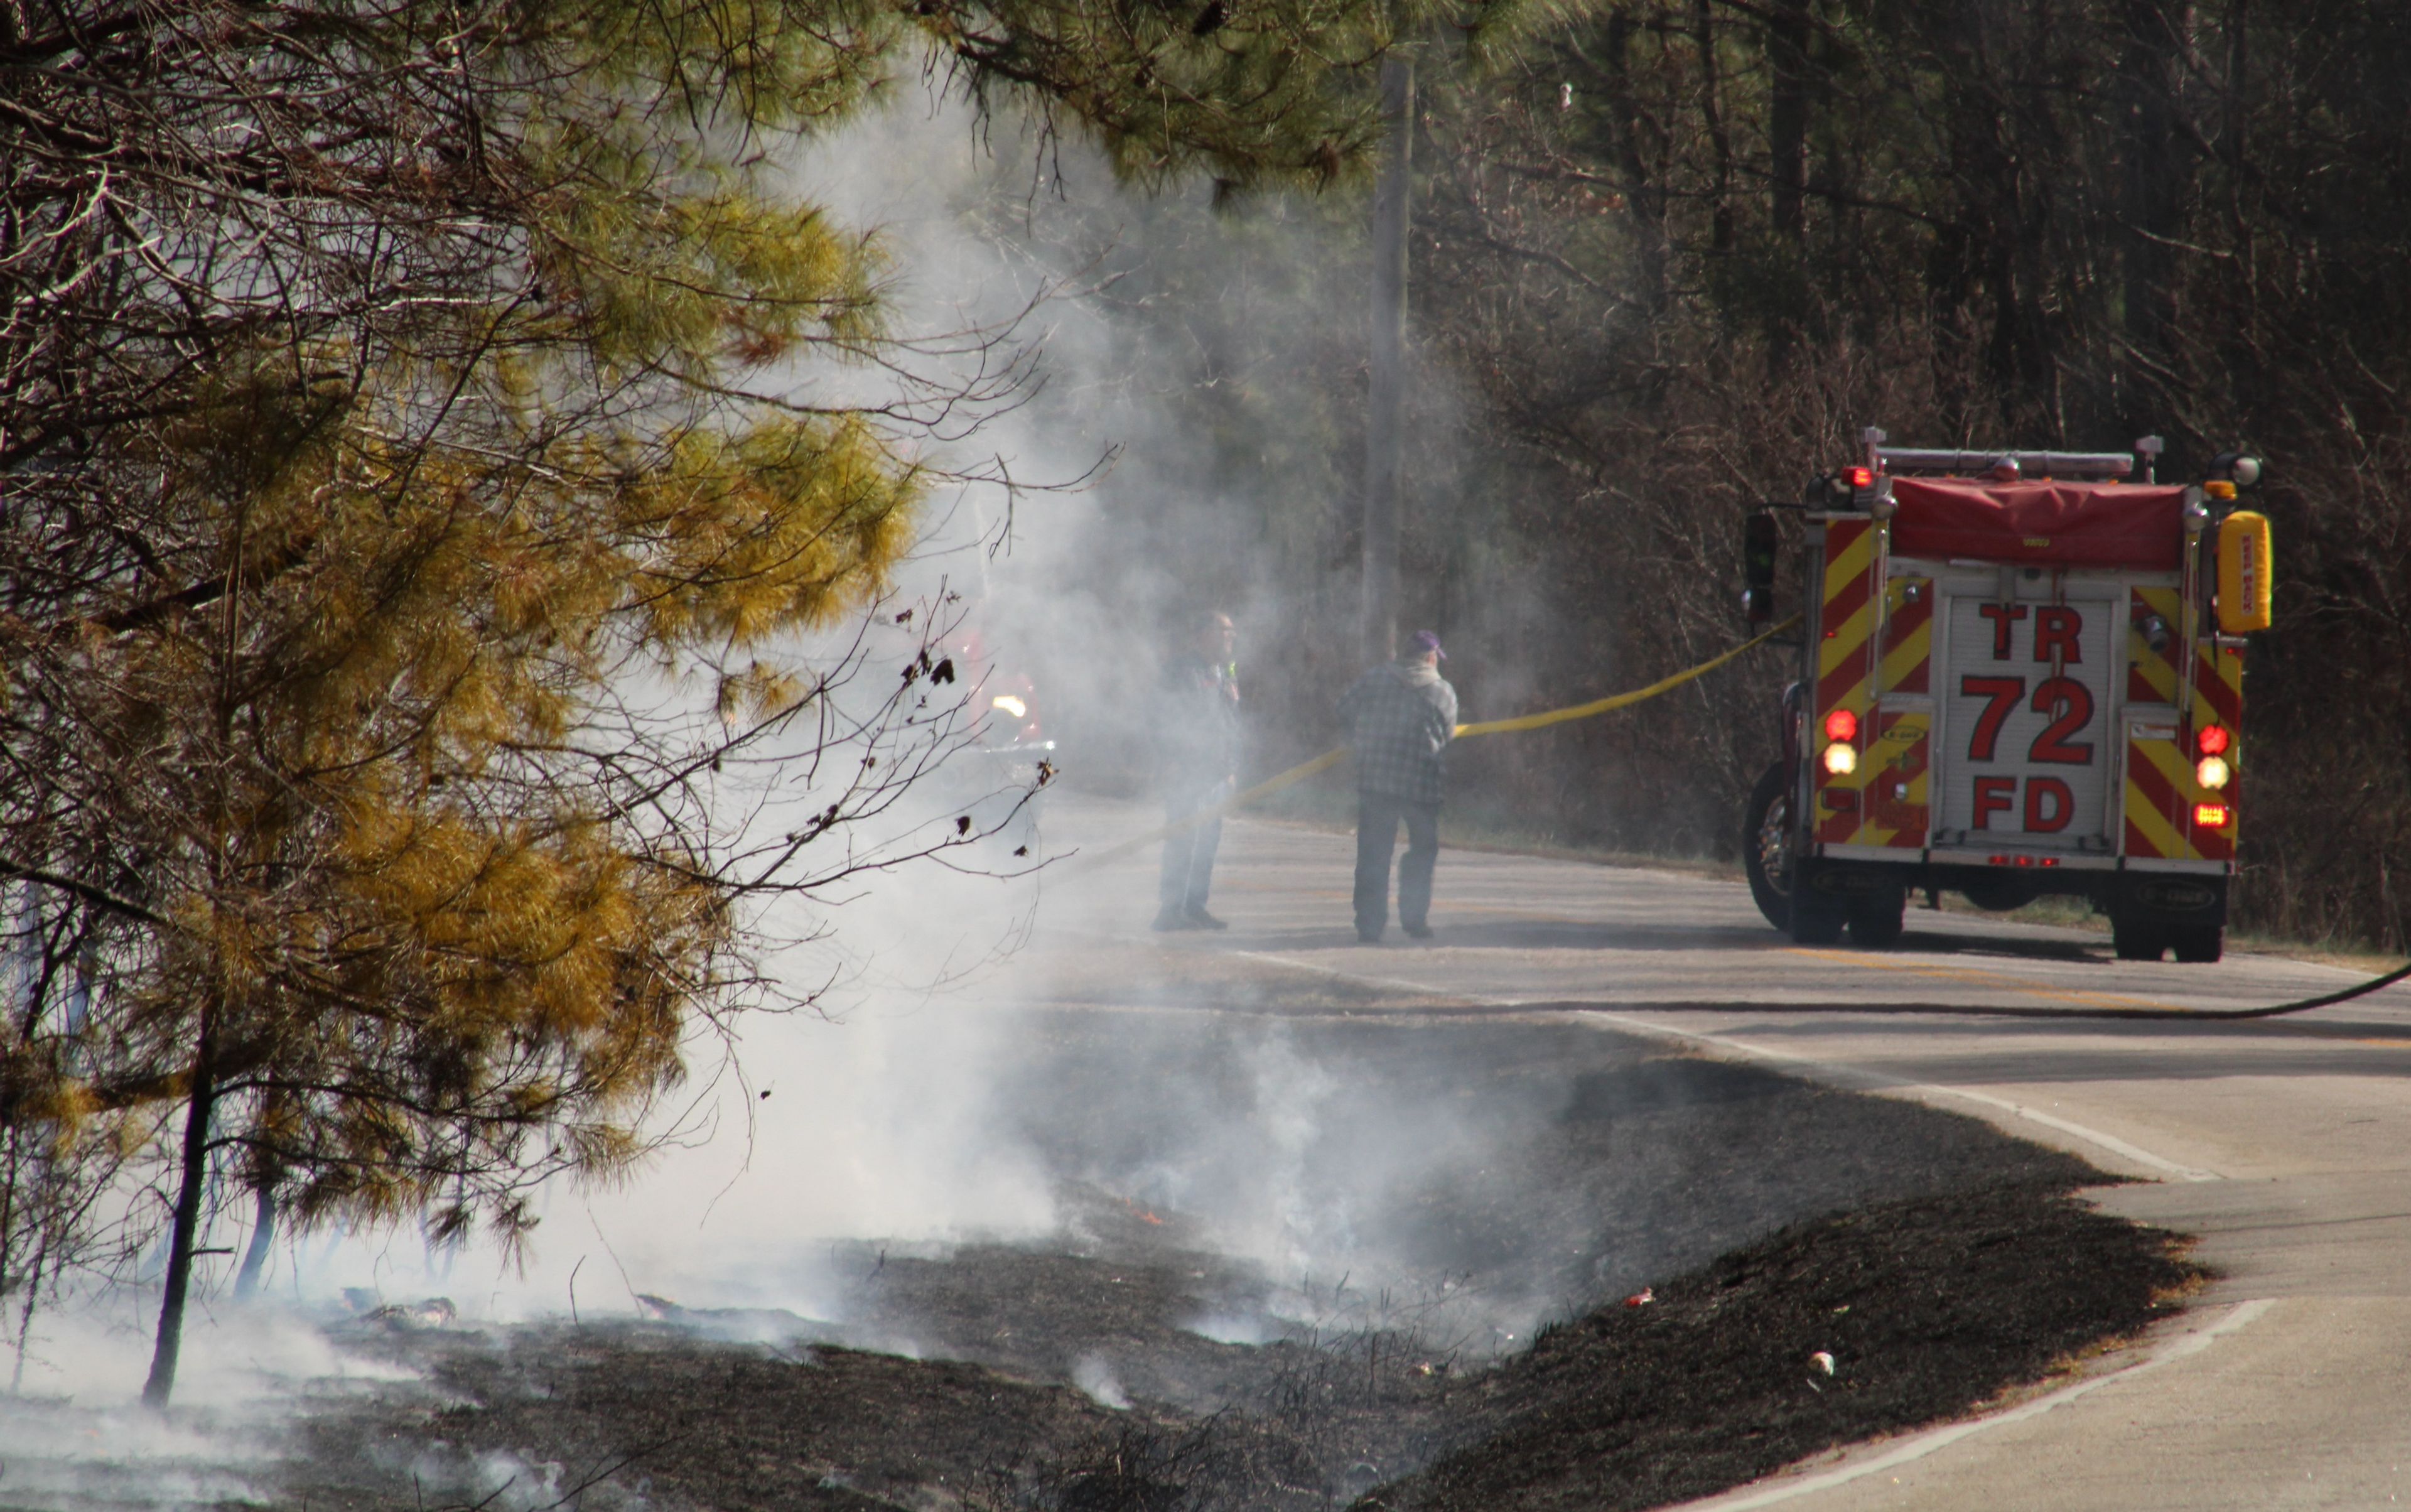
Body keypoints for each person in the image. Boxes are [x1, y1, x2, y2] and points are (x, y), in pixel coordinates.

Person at [1339, 630, 1457, 942]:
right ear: (1432, 658)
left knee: (1374, 854)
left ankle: (1369, 925)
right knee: (1422, 852)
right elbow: (1448, 737)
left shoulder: (1375, 678)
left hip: (1376, 782)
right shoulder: (1442, 691)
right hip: (1422, 787)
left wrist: (1362, 737)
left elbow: (1344, 710)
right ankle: (1414, 920)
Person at [1153, 609, 1241, 931]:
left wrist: (1231, 766)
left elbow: (1230, 720)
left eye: (1232, 631)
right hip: (1188, 770)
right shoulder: (1181, 671)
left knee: (1207, 840)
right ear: (1204, 634)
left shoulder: (1225, 671)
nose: (1231, 637)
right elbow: (1164, 717)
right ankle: (1170, 909)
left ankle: (1194, 906)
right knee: (1183, 839)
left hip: (1216, 773)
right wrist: (1171, 760)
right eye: (1224, 630)